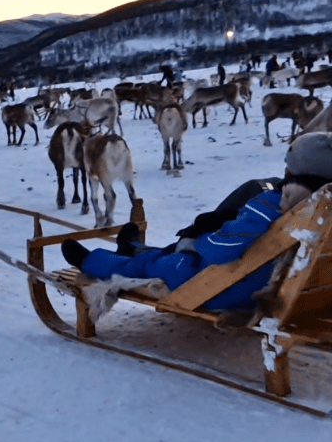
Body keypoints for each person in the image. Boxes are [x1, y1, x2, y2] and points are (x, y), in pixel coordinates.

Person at [61, 133, 332, 311]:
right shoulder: (322, 210)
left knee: (156, 264)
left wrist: (199, 237)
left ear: (293, 170)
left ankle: (92, 261)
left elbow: (217, 250)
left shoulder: (273, 205)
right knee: (175, 253)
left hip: (228, 290)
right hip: (290, 288)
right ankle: (132, 246)